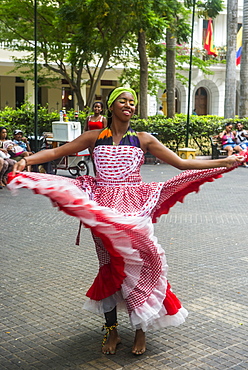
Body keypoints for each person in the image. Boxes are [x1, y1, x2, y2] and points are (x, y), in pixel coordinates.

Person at [9, 87, 245, 356]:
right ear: (111, 106)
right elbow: (56, 152)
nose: (129, 105)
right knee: (109, 267)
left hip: (135, 210)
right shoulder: (94, 137)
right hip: (102, 211)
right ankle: (112, 331)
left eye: (133, 102)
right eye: (123, 100)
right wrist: (26, 160)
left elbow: (181, 164)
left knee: (141, 267)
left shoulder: (144, 139)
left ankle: (140, 329)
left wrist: (224, 161)